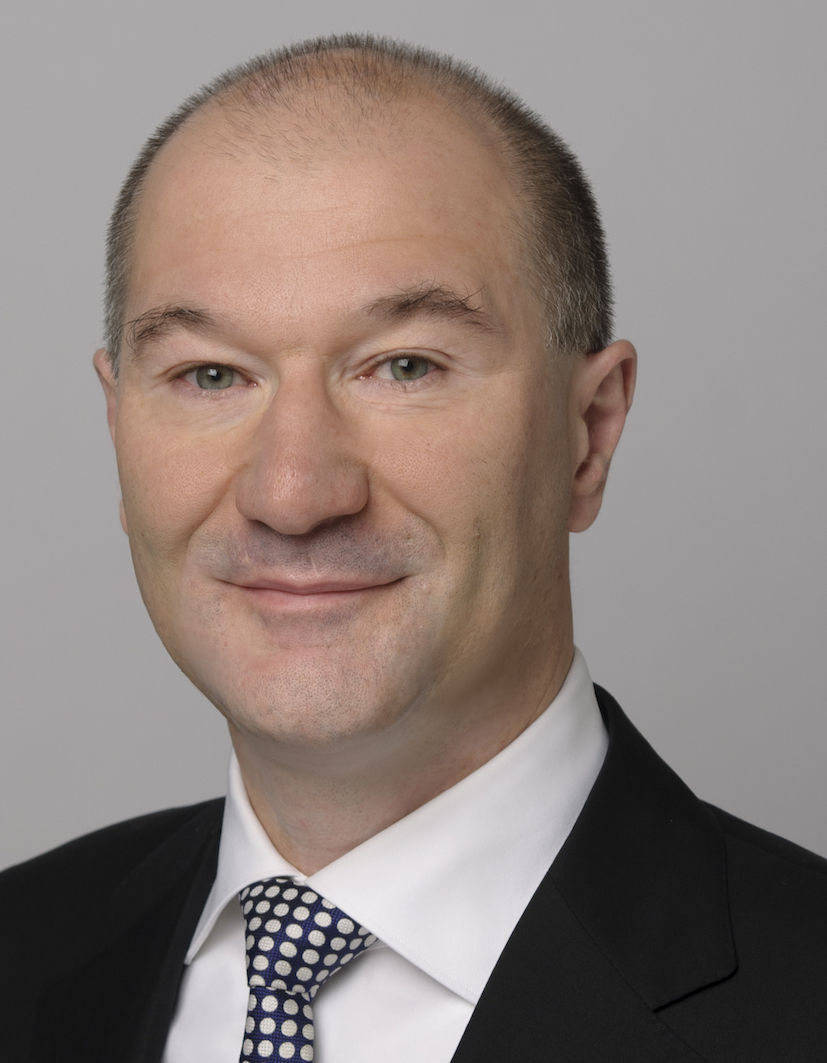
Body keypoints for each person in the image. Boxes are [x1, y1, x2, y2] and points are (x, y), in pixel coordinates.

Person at [2, 34, 825, 1063]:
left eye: (403, 367)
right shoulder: (22, 949)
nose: (292, 493)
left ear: (587, 433)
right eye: (210, 376)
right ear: (117, 424)